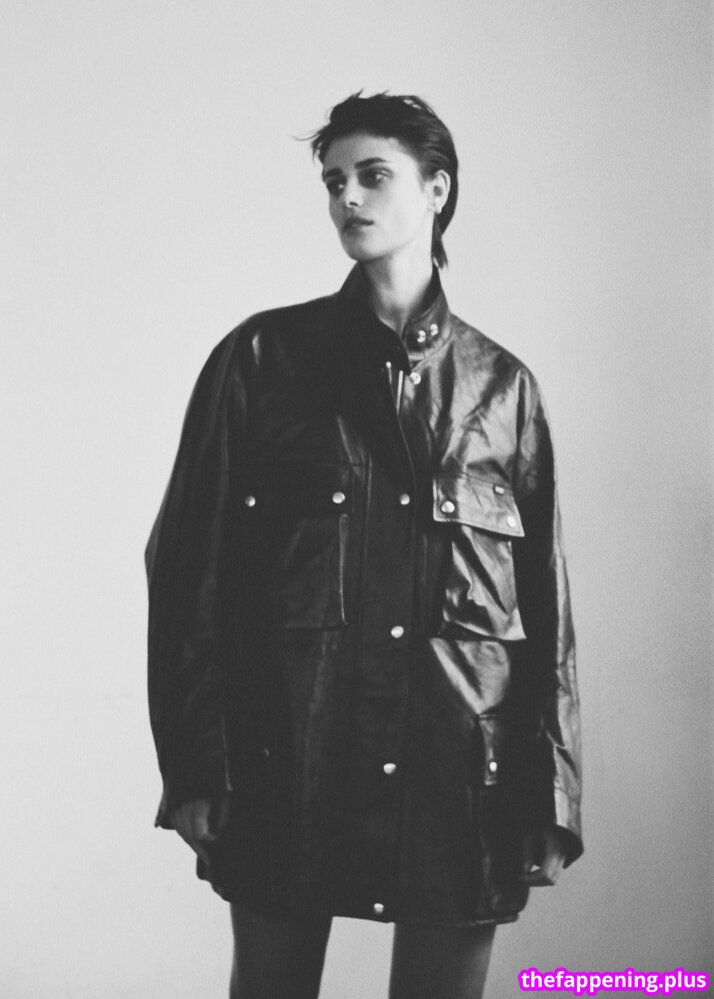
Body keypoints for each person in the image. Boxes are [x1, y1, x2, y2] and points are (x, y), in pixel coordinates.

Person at [145, 92, 583, 999]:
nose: (347, 197)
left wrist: (554, 792)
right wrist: (196, 762)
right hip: (288, 758)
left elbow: (545, 607)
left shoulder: (504, 390)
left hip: (460, 771)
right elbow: (187, 568)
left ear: (437, 190)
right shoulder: (261, 360)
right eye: (334, 181)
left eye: (372, 175)